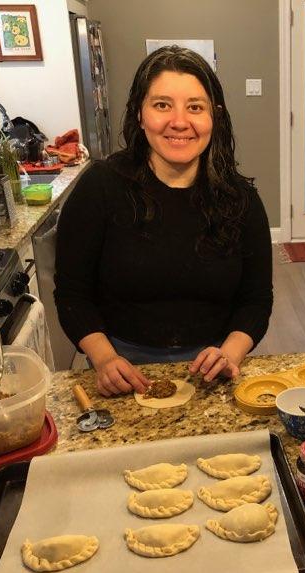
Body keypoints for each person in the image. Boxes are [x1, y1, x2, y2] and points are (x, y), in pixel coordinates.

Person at [55, 46, 273, 396]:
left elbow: (256, 300)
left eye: (195, 107)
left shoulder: (241, 200)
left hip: (213, 370)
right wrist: (105, 359)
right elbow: (72, 295)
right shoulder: (100, 187)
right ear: (140, 114)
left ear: (214, 117)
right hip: (121, 371)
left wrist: (229, 354)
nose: (179, 122)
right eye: (162, 105)